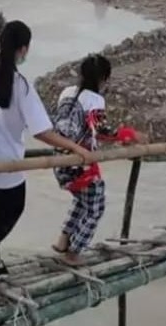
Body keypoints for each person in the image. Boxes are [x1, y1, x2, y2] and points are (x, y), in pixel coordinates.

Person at [0, 21, 92, 284]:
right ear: (24, 49)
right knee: (14, 209)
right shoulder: (21, 85)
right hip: (8, 167)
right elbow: (41, 131)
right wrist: (75, 147)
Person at [49, 55, 143, 266]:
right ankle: (74, 252)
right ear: (103, 79)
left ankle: (63, 240)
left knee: (82, 201)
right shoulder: (94, 100)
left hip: (59, 160)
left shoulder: (67, 93)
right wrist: (129, 134)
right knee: (96, 207)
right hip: (79, 164)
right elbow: (102, 132)